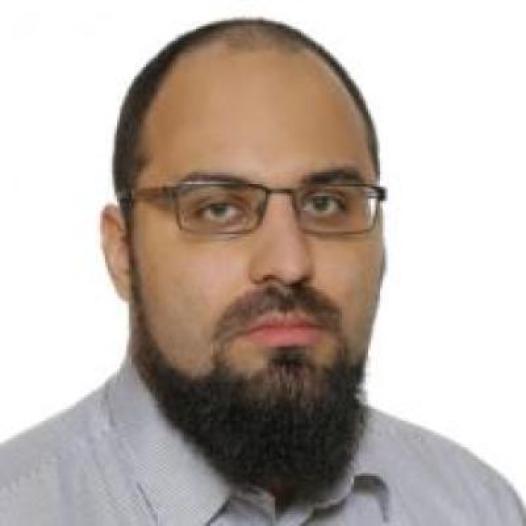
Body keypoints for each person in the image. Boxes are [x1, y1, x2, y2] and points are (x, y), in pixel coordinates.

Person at [0, 17, 524, 525]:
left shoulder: (477, 508)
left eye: (325, 204)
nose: (289, 264)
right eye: (218, 209)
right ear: (121, 252)